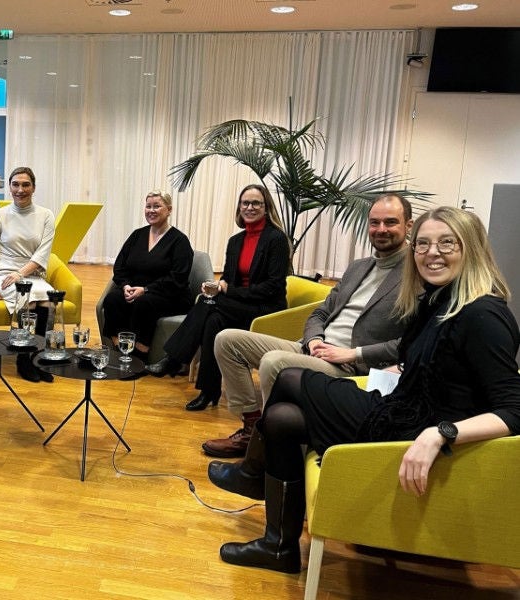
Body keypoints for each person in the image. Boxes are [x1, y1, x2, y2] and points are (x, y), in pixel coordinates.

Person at [214, 206, 520, 575]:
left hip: (416, 429)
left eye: (446, 243)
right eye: (423, 245)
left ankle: (254, 478)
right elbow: (439, 363)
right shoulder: (439, 299)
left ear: (471, 248)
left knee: (291, 378)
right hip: (401, 407)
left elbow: (514, 410)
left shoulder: (483, 314)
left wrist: (440, 434)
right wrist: (407, 368)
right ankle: (278, 546)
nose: (432, 254)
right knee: (281, 417)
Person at [204, 193, 412, 458]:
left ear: (408, 225)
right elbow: (320, 312)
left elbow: (410, 343)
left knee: (274, 362)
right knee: (227, 340)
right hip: (315, 348)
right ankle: (252, 428)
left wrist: (353, 353)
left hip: (349, 365)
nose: (381, 229)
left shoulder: (416, 275)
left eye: (390, 222)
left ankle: (268, 449)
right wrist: (314, 339)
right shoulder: (359, 267)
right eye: (374, 222)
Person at [147, 184, 290, 411]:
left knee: (209, 304)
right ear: (239, 207)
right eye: (245, 203)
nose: (250, 207)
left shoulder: (276, 239)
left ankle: (174, 359)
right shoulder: (236, 241)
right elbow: (228, 278)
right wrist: (216, 286)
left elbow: (272, 287)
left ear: (266, 207)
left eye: (256, 203)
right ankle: (208, 391)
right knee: (213, 320)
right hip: (236, 306)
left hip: (265, 309)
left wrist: (228, 291)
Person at [0, 166, 56, 383]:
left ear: (33, 188)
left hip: (31, 273)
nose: (20, 189)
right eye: (15, 184)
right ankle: (24, 359)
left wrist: (20, 274)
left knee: (48, 303)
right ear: (9, 187)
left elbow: (42, 254)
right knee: (28, 300)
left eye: (25, 185)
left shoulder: (46, 215)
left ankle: (39, 357)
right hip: (4, 274)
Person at [101, 190, 194, 361]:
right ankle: (120, 352)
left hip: (169, 294)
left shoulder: (180, 241)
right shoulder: (137, 235)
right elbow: (120, 267)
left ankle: (139, 357)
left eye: (157, 206)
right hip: (135, 290)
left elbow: (178, 278)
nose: (151, 210)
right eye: (148, 206)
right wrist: (125, 286)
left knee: (143, 303)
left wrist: (146, 289)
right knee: (113, 299)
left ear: (169, 209)